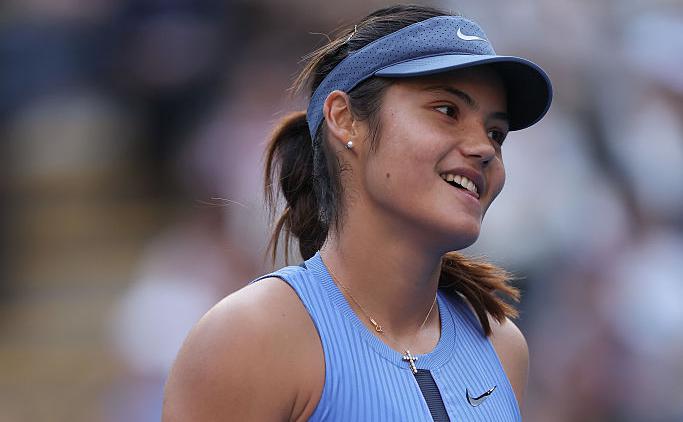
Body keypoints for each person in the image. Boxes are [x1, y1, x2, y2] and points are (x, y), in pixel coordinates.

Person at [162, 4, 552, 421]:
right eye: (447, 111)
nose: (484, 148)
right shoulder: (252, 335)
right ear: (345, 120)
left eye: (496, 133)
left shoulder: (502, 346)